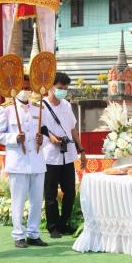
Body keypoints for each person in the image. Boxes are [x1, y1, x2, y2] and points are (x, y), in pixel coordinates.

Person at [0, 75, 49, 248]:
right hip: (18, 161)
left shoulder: (38, 109)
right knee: (18, 200)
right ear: (15, 89)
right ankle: (18, 235)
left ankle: (33, 233)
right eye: (22, 87)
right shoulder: (7, 109)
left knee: (37, 200)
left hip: (37, 161)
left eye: (28, 87)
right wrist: (14, 138)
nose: (26, 91)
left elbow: (45, 133)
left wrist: (42, 140)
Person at [42, 72, 87, 239]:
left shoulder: (66, 106)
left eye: (65, 89)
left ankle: (64, 223)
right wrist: (51, 138)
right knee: (51, 193)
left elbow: (73, 129)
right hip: (50, 156)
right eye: (60, 88)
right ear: (51, 87)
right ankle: (52, 226)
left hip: (68, 155)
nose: (63, 91)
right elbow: (39, 128)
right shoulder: (40, 106)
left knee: (70, 192)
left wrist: (81, 149)